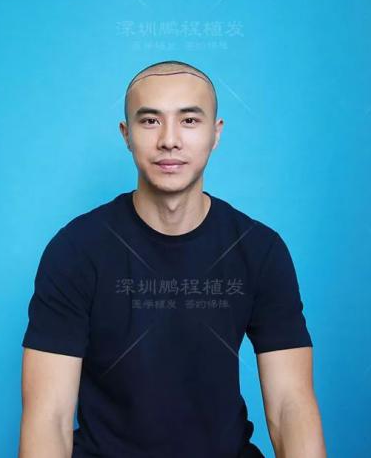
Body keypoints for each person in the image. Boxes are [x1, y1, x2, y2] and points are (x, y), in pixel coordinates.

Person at [19, 60, 327, 458]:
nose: (169, 140)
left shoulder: (259, 250)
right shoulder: (75, 251)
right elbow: (49, 417)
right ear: (126, 134)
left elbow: (290, 405)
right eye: (150, 121)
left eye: (189, 121)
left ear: (216, 133)